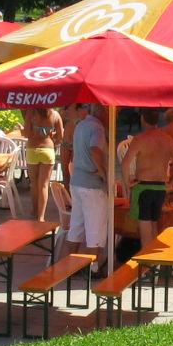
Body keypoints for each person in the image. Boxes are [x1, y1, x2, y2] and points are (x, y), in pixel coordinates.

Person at [124, 109, 173, 248]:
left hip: (143, 188)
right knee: (154, 229)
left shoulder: (140, 139)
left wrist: (127, 183)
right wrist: (171, 183)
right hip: (160, 188)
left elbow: (125, 163)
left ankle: (147, 267)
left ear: (142, 119)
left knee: (146, 232)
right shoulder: (167, 139)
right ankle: (154, 266)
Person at [66, 102, 111, 272]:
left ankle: (70, 265)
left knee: (76, 225)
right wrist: (102, 172)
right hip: (91, 184)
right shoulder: (97, 127)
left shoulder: (81, 125)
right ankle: (94, 268)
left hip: (77, 181)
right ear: (101, 112)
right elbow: (95, 149)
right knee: (96, 228)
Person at [19, 104, 63, 221]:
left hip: (32, 150)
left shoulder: (31, 113)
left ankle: (34, 211)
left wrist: (22, 131)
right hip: (48, 150)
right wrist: (53, 139)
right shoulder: (55, 115)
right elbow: (60, 136)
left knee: (34, 184)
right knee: (43, 185)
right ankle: (41, 216)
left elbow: (28, 134)